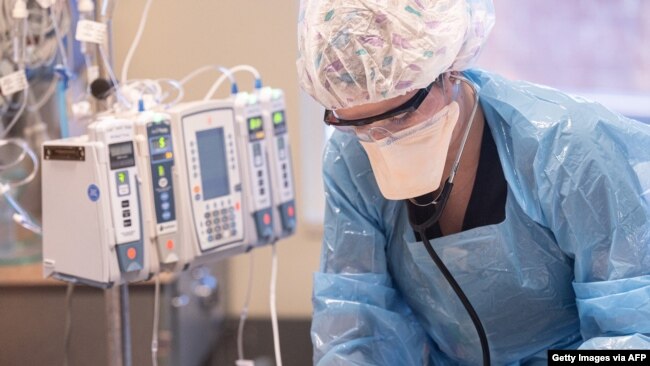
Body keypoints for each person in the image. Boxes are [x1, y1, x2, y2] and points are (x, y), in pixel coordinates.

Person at [296, 0, 650, 365]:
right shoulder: (350, 163)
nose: (378, 138)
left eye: (400, 115)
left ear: (449, 69)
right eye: (356, 125)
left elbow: (631, 335)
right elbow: (356, 324)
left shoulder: (567, 152)